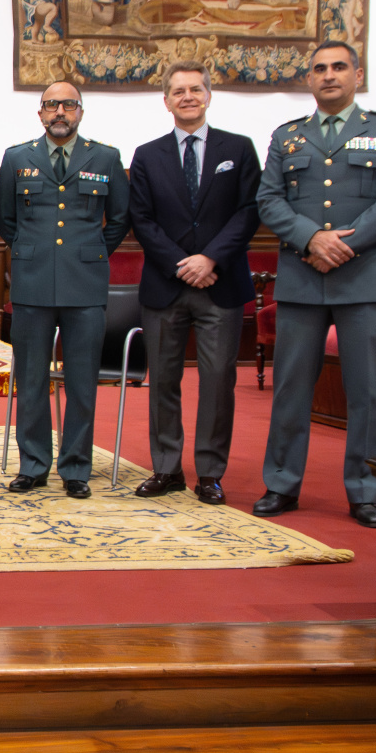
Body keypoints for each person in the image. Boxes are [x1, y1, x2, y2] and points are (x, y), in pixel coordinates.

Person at [254, 41, 376, 528]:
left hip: (365, 276)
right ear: (309, 79)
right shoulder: (288, 137)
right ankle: (281, 483)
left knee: (367, 391)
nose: (329, 75)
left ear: (356, 74)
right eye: (319, 68)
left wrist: (343, 245)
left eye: (339, 67)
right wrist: (312, 239)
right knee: (290, 388)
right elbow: (269, 200)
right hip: (303, 277)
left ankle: (366, 489)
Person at [128, 61, 261, 505]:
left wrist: (210, 259)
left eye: (195, 89)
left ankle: (209, 473)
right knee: (162, 379)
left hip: (219, 284)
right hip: (166, 285)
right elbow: (141, 220)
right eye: (178, 91)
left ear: (208, 95)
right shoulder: (147, 155)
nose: (187, 96)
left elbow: (248, 212)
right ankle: (166, 468)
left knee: (218, 380)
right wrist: (181, 262)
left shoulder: (238, 149)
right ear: (165, 100)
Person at [0, 82, 130, 499]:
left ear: (80, 113)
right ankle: (32, 465)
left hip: (85, 285)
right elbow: (5, 219)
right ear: (40, 113)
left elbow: (120, 218)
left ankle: (75, 468)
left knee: (82, 381)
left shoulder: (106, 157)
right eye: (51, 105)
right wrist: (34, 254)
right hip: (32, 283)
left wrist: (86, 253)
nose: (60, 112)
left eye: (68, 105)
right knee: (31, 380)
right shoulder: (17, 157)